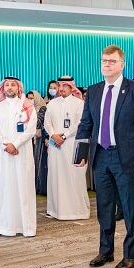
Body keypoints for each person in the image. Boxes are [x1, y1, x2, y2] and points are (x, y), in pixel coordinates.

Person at [76, 45, 134, 268]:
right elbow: (85, 124)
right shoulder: (94, 91)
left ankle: (131, 255)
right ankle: (106, 250)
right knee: (104, 206)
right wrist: (80, 153)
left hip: (127, 158)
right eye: (104, 61)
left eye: (112, 61)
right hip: (100, 156)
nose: (107, 64)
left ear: (122, 64)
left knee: (130, 207)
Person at [0, 76, 38, 237]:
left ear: (19, 88)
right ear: (3, 88)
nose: (9, 87)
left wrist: (15, 144)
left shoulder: (27, 106)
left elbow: (31, 130)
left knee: (23, 187)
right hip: (3, 153)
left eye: (13, 85)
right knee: (4, 187)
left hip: (22, 153)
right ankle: (3, 226)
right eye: (7, 85)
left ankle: (26, 227)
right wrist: (6, 144)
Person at [44, 75, 90, 220]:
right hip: (55, 146)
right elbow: (47, 123)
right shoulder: (52, 103)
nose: (61, 88)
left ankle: (76, 211)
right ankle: (56, 210)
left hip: (72, 144)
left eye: (65, 86)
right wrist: (53, 135)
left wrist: (64, 136)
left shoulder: (79, 103)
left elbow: (80, 124)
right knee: (56, 176)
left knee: (73, 176)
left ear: (72, 87)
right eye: (60, 86)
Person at [30, 90, 50, 196]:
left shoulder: (43, 108)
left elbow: (38, 124)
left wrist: (30, 115)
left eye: (32, 98)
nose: (30, 100)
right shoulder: (27, 109)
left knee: (40, 163)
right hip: (30, 139)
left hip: (40, 139)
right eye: (29, 98)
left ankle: (41, 187)